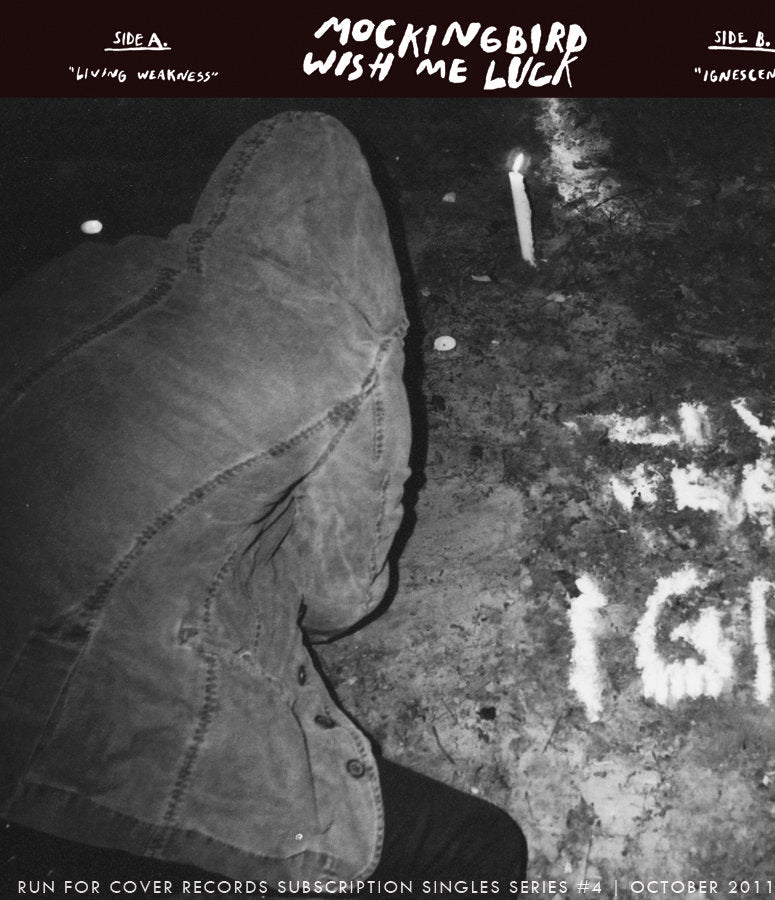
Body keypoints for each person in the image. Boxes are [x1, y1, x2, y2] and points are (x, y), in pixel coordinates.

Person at [0, 111, 526, 895]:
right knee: (478, 850)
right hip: (80, 756)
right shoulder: (346, 349)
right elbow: (341, 595)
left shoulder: (79, 275)